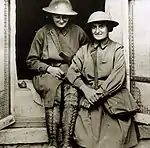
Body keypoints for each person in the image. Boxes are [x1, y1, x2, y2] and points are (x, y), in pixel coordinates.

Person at [67, 11, 139, 148]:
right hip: (90, 99)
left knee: (114, 139)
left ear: (108, 28)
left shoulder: (116, 49)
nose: (98, 30)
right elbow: (71, 72)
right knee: (85, 139)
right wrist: (85, 89)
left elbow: (117, 77)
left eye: (102, 26)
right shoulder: (84, 50)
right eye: (94, 27)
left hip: (112, 100)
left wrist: (97, 94)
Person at [26, 0, 89, 148]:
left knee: (72, 94)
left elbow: (88, 55)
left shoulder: (78, 32)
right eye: (57, 17)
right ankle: (53, 142)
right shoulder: (43, 33)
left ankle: (66, 142)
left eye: (64, 17)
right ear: (51, 15)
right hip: (47, 73)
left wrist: (76, 69)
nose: (61, 20)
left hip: (71, 73)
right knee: (54, 91)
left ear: (70, 17)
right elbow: (31, 61)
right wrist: (49, 69)